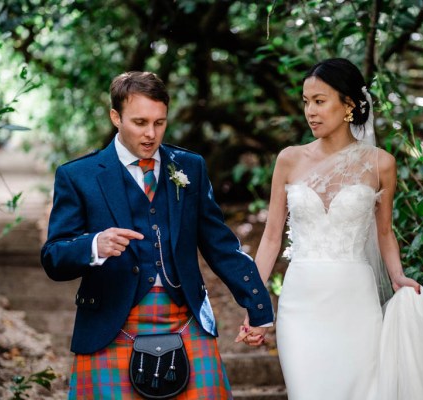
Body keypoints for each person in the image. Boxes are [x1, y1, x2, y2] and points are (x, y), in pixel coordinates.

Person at [238, 58, 423, 399]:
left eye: (320, 101)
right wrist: (254, 304)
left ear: (348, 104)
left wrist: (398, 276)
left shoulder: (381, 163)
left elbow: (385, 232)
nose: (310, 111)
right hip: (300, 303)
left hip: (354, 303)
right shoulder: (289, 159)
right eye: (306, 102)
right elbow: (271, 237)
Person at [41, 71, 273, 399]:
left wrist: (258, 306)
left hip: (184, 316)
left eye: (159, 122)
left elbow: (220, 244)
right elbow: (53, 257)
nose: (151, 134)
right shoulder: (78, 175)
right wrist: (94, 245)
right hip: (112, 323)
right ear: (115, 117)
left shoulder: (189, 167)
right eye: (140, 122)